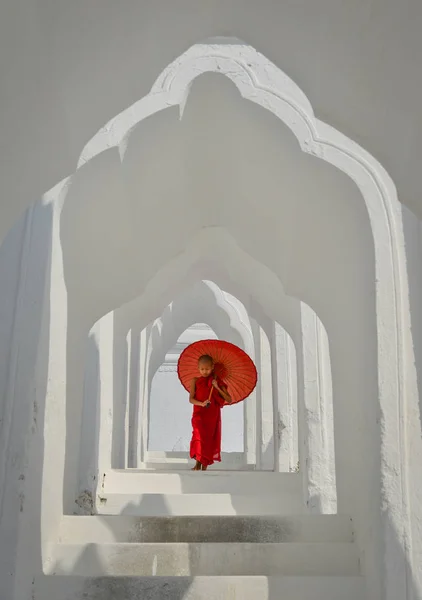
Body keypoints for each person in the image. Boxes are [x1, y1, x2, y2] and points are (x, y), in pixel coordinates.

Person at [189, 354, 232, 471]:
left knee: (208, 439)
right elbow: (191, 399)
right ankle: (198, 463)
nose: (204, 372)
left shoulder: (217, 381)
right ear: (198, 368)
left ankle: (204, 465)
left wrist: (217, 387)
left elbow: (229, 399)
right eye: (202, 369)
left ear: (212, 367)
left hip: (212, 415)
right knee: (198, 435)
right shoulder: (195, 381)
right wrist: (201, 404)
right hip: (199, 413)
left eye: (207, 369)